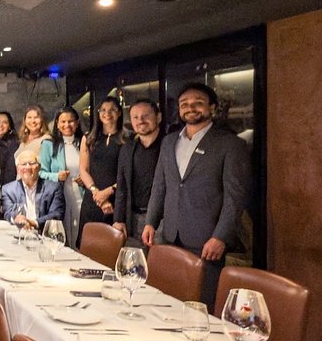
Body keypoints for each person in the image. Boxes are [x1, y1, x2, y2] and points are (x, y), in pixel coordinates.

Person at [143, 83, 251, 306]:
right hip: (170, 235)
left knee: (201, 303)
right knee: (168, 298)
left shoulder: (230, 144)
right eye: (184, 104)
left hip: (206, 240)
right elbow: (160, 186)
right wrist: (150, 222)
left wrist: (220, 237)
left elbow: (235, 197)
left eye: (198, 103)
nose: (190, 108)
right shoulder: (169, 142)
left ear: (212, 107)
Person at [113, 99, 164, 247]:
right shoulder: (127, 148)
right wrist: (118, 219)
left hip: (162, 222)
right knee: (135, 261)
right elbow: (122, 187)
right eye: (135, 117)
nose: (140, 120)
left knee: (160, 262)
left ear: (158, 117)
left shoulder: (170, 145)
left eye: (146, 115)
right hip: (133, 220)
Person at [77, 97, 127, 246]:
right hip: (92, 199)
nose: (107, 113)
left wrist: (108, 192)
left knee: (112, 248)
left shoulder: (128, 139)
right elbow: (83, 170)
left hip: (116, 200)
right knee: (88, 246)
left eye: (112, 110)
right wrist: (97, 193)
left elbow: (128, 175)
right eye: (103, 110)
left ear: (119, 113)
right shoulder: (88, 138)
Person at [39, 107, 85, 243]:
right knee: (61, 232)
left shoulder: (84, 142)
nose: (67, 125)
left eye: (71, 121)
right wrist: (56, 176)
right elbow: (40, 172)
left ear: (77, 123)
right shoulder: (49, 144)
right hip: (59, 195)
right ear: (57, 124)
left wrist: (85, 179)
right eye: (63, 121)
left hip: (81, 195)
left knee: (80, 232)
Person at [1, 150, 65, 231]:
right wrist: (16, 218)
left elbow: (57, 214)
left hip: (44, 234)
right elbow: (8, 212)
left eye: (32, 163)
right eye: (24, 164)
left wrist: (34, 223)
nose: (28, 167)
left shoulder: (53, 188)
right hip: (18, 233)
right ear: (17, 169)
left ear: (39, 167)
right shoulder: (8, 190)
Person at [0, 111, 20, 186]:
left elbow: (10, 172)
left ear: (9, 126)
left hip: (3, 186)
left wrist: (5, 190)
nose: (0, 125)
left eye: (5, 122)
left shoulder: (12, 144)